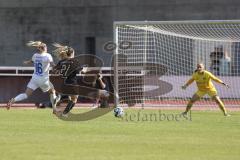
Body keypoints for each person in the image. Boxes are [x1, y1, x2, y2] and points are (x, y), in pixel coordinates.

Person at [7, 41, 57, 112]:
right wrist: (59, 67)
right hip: (43, 80)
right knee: (52, 92)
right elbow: (53, 65)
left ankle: (13, 100)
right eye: (46, 47)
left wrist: (26, 62)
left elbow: (32, 61)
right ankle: (54, 109)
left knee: (26, 94)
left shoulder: (35, 55)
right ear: (44, 48)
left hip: (35, 78)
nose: (46, 48)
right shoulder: (48, 56)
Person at [52, 43, 83, 117]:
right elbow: (80, 71)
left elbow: (54, 70)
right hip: (72, 82)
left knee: (70, 97)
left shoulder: (61, 61)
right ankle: (65, 113)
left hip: (62, 83)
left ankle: (58, 98)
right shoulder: (75, 61)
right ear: (72, 53)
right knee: (74, 99)